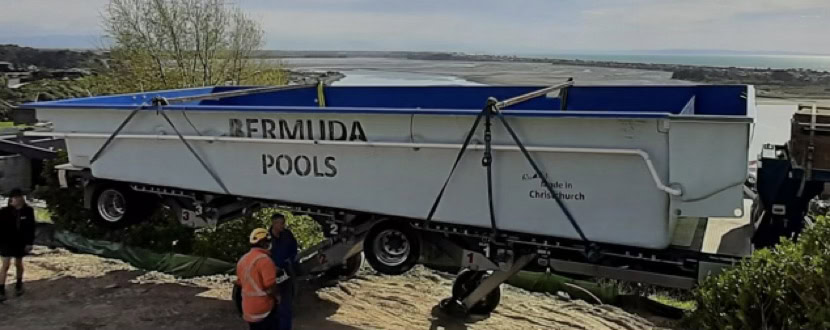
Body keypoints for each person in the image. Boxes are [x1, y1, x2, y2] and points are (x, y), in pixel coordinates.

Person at [237, 228, 280, 330]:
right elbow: (270, 286)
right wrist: (278, 298)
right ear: (263, 243)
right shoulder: (265, 260)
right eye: (268, 241)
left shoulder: (242, 259)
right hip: (263, 309)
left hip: (248, 309)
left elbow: (239, 282)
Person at [0, 188, 35, 302]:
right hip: (7, 242)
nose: (18, 199)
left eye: (20, 197)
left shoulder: (28, 211)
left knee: (18, 263)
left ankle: (19, 284)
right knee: (5, 265)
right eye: (15, 197)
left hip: (21, 242)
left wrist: (29, 243)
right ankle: (1, 289)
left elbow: (31, 228)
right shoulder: (4, 211)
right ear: (11, 199)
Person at [269, 213, 298, 330]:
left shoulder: (287, 235)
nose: (283, 225)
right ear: (274, 223)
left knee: (286, 304)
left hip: (286, 273)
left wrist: (290, 261)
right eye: (281, 223)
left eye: (283, 223)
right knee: (272, 304)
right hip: (271, 275)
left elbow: (294, 250)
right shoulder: (266, 238)